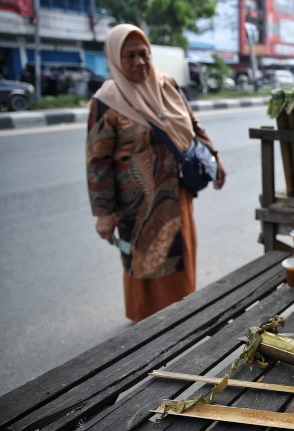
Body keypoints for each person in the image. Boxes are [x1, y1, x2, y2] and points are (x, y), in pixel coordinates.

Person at [86, 23, 227, 323]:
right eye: (129, 56)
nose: (139, 61)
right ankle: (145, 326)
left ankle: (182, 317)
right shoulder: (107, 102)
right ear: (115, 59)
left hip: (177, 193)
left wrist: (214, 155)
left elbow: (193, 124)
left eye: (143, 53)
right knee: (145, 262)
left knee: (181, 256)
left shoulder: (166, 85)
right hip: (136, 205)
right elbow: (97, 161)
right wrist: (103, 212)